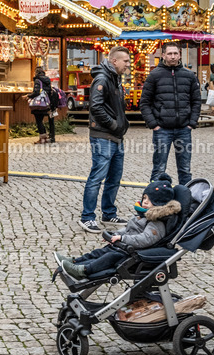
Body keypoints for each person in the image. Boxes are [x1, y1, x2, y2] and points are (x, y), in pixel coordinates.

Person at [59, 175, 181, 279]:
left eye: (149, 201)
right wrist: (115, 234)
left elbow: (145, 239)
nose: (144, 202)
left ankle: (83, 270)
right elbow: (128, 229)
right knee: (100, 252)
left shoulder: (157, 223)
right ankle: (75, 261)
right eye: (144, 198)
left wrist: (123, 239)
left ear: (159, 203)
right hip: (125, 247)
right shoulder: (143, 216)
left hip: (134, 253)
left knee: (108, 257)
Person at [79, 47, 131, 234]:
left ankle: (108, 213)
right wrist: (114, 125)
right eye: (125, 61)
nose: (128, 64)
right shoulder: (102, 79)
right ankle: (87, 217)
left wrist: (122, 125)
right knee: (97, 177)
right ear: (114, 61)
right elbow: (96, 107)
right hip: (103, 136)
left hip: (115, 136)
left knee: (114, 178)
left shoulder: (114, 78)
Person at [139, 42, 201, 183]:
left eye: (175, 53)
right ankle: (154, 199)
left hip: (184, 129)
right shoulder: (154, 75)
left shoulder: (189, 76)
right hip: (162, 129)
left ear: (179, 54)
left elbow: (196, 101)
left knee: (185, 169)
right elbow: (144, 103)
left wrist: (192, 123)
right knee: (159, 168)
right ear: (163, 55)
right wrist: (153, 124)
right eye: (169, 53)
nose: (173, 57)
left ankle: (186, 200)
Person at [27, 65, 56, 144]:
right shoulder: (47, 80)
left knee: (39, 120)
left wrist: (28, 96)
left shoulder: (37, 80)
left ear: (36, 72)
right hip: (46, 103)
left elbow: (36, 92)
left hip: (39, 104)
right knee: (47, 120)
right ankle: (49, 137)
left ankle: (42, 138)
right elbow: (49, 91)